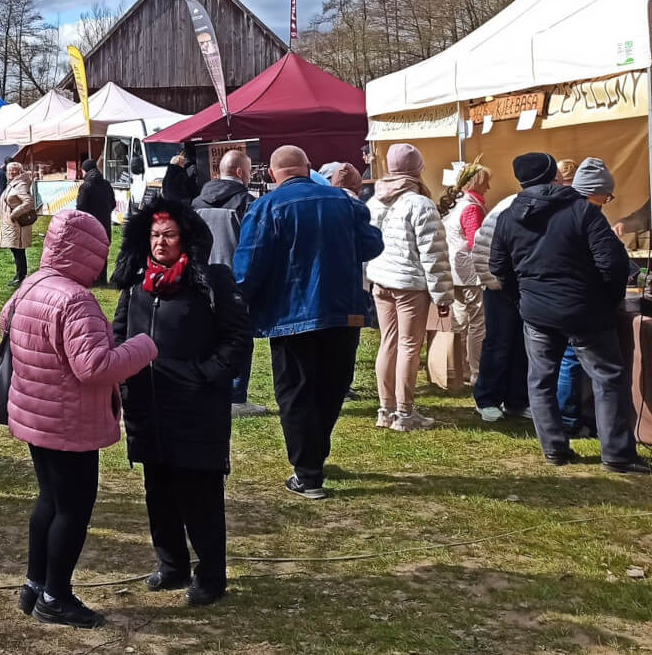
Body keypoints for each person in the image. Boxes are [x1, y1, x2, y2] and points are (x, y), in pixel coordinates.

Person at [4, 210, 159, 628]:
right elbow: (94, 366)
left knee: (49, 501)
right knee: (72, 509)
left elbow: (7, 323)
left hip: (35, 412)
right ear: (90, 253)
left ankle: (35, 585)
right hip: (68, 420)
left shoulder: (33, 283)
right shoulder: (75, 300)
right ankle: (55, 597)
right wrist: (143, 347)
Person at [112, 197, 250, 607]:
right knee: (158, 490)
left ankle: (211, 574)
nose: (160, 243)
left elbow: (237, 340)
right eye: (155, 235)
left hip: (195, 407)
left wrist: (204, 375)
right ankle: (171, 564)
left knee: (199, 494)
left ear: (185, 238)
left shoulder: (212, 281)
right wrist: (122, 377)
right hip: (147, 405)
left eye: (169, 235)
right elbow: (119, 333)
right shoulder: (137, 283)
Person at [233, 145, 383, 499]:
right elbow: (372, 245)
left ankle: (308, 471)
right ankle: (313, 457)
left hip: (291, 313)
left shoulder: (267, 207)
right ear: (309, 167)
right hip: (342, 310)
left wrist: (238, 301)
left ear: (273, 174)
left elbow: (248, 266)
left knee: (297, 391)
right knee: (331, 387)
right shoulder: (345, 202)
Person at [490, 152, 646, 472]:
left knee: (541, 381)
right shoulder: (581, 210)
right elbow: (614, 263)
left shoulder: (508, 217)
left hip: (539, 311)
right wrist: (608, 299)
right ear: (556, 176)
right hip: (583, 311)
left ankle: (554, 449)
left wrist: (522, 298)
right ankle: (617, 455)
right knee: (607, 378)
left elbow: (499, 267)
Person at [366, 143, 454, 432]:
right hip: (409, 285)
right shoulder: (420, 204)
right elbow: (434, 254)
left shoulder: (375, 201)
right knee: (408, 346)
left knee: (388, 343)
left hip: (382, 280)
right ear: (417, 169)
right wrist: (443, 295)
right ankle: (404, 413)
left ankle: (385, 410)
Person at [191, 149, 263, 416]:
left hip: (200, 278)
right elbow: (254, 245)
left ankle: (206, 390)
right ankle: (236, 397)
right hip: (235, 279)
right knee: (240, 338)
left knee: (205, 335)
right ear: (241, 172)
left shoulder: (196, 202)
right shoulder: (248, 202)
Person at [562, 157, 619, 436]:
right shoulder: (589, 216)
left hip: (554, 298)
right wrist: (613, 294)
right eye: (605, 196)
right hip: (581, 300)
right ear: (594, 191)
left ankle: (564, 422)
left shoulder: (557, 212)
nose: (606, 201)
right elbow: (611, 262)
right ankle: (607, 436)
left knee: (564, 362)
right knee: (602, 371)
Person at [470, 183, 531, 423]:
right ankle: (487, 398)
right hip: (500, 284)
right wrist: (493, 281)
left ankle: (517, 400)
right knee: (498, 342)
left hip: (522, 284)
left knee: (522, 343)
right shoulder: (510, 206)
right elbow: (482, 246)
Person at [439, 163, 492, 387]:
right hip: (471, 272)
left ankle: (458, 368)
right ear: (477, 183)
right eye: (486, 182)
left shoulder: (455, 204)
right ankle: (477, 371)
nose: (489, 187)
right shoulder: (472, 207)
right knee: (478, 323)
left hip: (453, 270)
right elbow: (476, 242)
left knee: (460, 322)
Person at [0, 161, 38, 288]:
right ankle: (19, 275)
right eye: (9, 170)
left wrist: (14, 214)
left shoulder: (20, 184)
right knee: (15, 250)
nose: (11, 172)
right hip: (12, 224)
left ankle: (21, 276)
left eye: (14, 170)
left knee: (18, 250)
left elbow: (28, 202)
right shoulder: (12, 184)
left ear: (19, 172)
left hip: (17, 223)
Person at [74, 159, 116, 244]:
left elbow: (80, 208)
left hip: (90, 228)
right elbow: (113, 204)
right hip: (105, 227)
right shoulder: (107, 184)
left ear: (85, 170)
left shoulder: (85, 187)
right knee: (103, 250)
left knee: (91, 251)